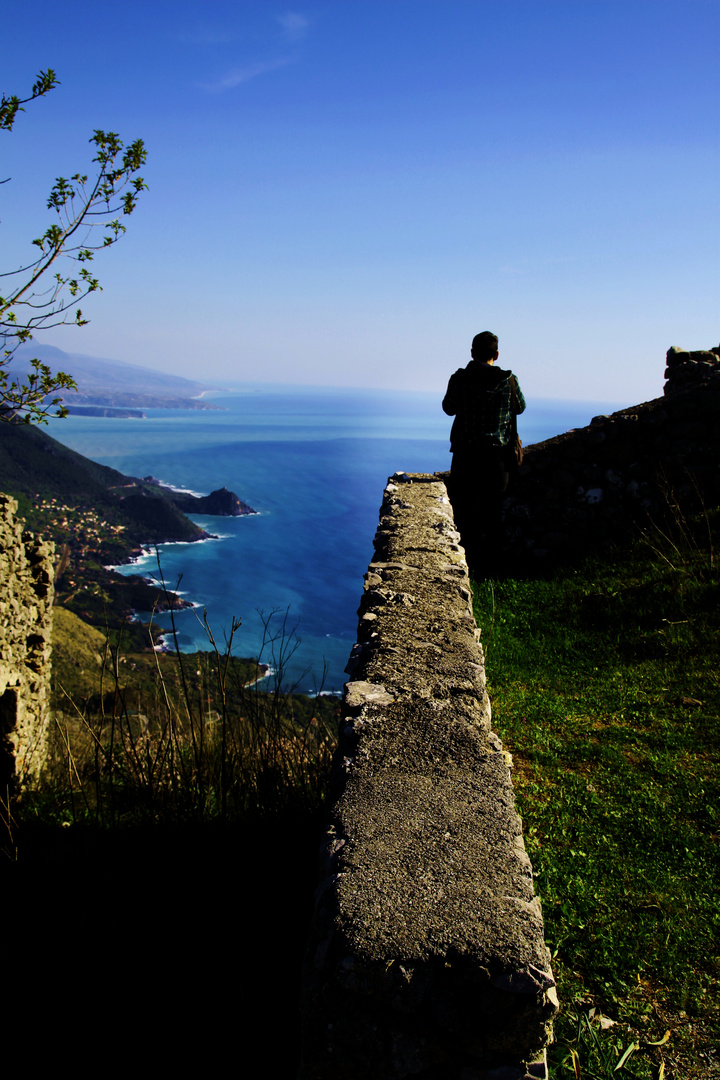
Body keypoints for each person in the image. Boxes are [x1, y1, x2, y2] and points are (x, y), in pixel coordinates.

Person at [442, 331, 526, 572]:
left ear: (472, 353)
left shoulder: (459, 379)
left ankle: (463, 566)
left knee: (464, 513)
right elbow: (520, 407)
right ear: (496, 355)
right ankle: (489, 569)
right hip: (497, 459)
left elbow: (449, 408)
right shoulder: (509, 380)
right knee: (493, 513)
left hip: (465, 456)